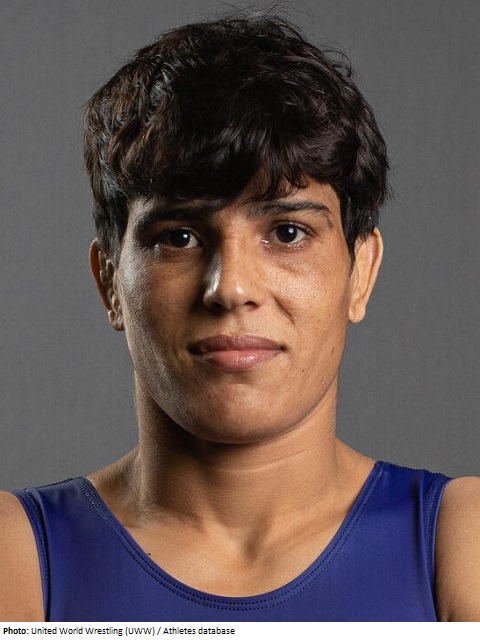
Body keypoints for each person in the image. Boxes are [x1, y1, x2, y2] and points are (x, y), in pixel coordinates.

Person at [1, 13, 479, 623]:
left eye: (288, 232)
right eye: (178, 237)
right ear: (110, 282)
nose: (231, 288)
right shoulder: (16, 552)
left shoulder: (459, 540)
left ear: (360, 273)